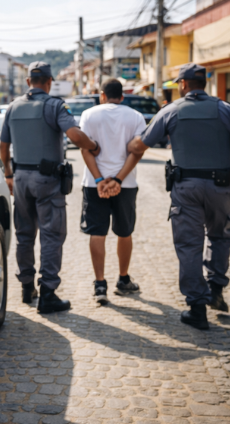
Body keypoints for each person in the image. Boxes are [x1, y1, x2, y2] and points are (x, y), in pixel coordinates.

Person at [126, 63, 230, 330]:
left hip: (186, 188)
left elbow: (140, 145)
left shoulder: (171, 110)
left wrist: (123, 143)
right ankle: (216, 290)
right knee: (220, 236)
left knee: (189, 245)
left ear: (183, 84)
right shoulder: (227, 110)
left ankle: (197, 308)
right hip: (221, 187)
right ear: (205, 82)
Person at [0, 61, 100, 314]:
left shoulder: (13, 106)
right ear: (49, 81)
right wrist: (93, 145)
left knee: (24, 235)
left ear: (27, 82)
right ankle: (48, 294)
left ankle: (26, 288)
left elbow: (3, 147)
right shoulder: (54, 106)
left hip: (20, 177)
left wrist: (9, 175)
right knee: (51, 235)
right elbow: (75, 136)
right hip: (47, 180)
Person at [78, 79, 145, 305]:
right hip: (125, 184)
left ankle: (100, 285)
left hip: (93, 183)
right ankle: (123, 279)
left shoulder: (89, 114)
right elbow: (137, 152)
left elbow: (85, 149)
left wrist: (99, 179)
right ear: (122, 96)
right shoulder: (136, 117)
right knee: (124, 232)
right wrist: (117, 179)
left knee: (98, 232)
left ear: (102, 95)